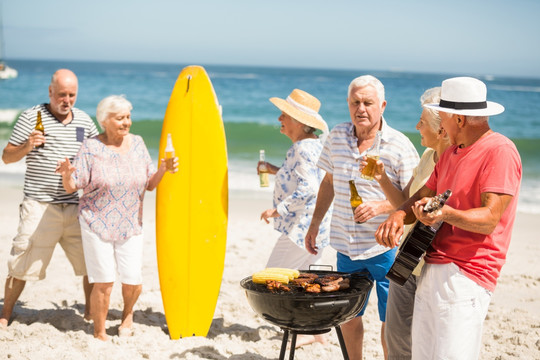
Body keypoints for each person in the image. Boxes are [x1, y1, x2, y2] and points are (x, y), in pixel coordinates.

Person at [375, 77, 522, 359]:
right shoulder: (450, 154)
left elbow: (490, 218)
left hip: (468, 273)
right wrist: (399, 214)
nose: (440, 123)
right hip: (431, 266)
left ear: (459, 118)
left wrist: (445, 213)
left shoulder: (500, 150)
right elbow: (424, 193)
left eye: (442, 114)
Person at [305, 75, 419, 360]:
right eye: (355, 102)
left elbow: (412, 198)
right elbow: (329, 182)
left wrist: (381, 207)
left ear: (382, 105)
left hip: (387, 248)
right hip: (346, 246)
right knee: (347, 315)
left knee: (390, 319)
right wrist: (315, 223)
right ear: (347, 104)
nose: (361, 109)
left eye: (368, 103)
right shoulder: (337, 136)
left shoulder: (399, 145)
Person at [56, 95, 177, 341]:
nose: (126, 123)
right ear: (105, 121)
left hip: (131, 221)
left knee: (133, 279)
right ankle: (99, 332)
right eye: (120, 118)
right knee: (104, 280)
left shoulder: (138, 143)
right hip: (96, 221)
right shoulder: (90, 146)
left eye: (128, 117)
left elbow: (150, 184)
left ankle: (127, 316)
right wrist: (67, 174)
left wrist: (164, 169)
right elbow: (72, 186)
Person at [0, 69, 98, 328]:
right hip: (40, 205)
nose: (67, 100)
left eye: (72, 95)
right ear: (50, 92)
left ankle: (90, 312)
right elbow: (6, 156)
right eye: (62, 94)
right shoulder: (31, 117)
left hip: (77, 207)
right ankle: (5, 313)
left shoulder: (85, 122)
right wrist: (27, 146)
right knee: (21, 261)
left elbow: (97, 160)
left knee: (92, 262)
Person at [362, 87, 451, 359]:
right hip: (408, 257)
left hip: (434, 262)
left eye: (422, 122)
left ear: (441, 130)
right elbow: (405, 202)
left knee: (427, 338)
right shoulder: (427, 158)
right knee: (396, 334)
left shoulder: (454, 164)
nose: (417, 126)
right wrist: (382, 179)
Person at [257, 89, 332, 347]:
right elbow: (305, 178)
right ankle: (314, 329)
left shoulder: (302, 148)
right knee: (305, 275)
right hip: (317, 226)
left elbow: (309, 188)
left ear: (299, 123)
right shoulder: (310, 146)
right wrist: (273, 169)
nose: (280, 118)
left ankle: (306, 329)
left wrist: (277, 210)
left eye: (285, 115)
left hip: (304, 227)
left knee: (273, 276)